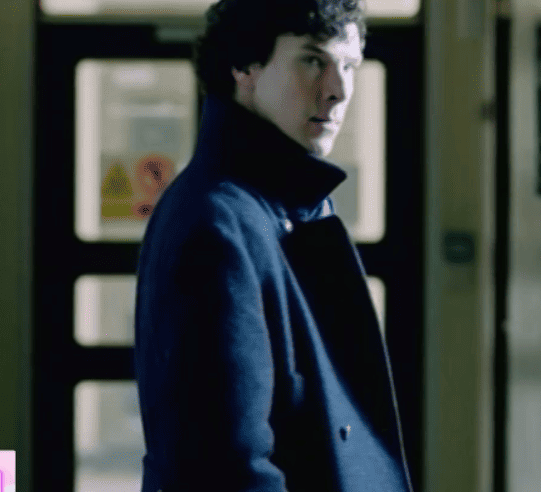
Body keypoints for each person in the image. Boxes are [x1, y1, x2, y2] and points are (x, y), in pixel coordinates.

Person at [133, 0, 413, 490]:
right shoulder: (216, 224)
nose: (339, 90)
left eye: (350, 66)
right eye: (313, 61)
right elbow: (227, 469)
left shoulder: (270, 206)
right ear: (244, 65)